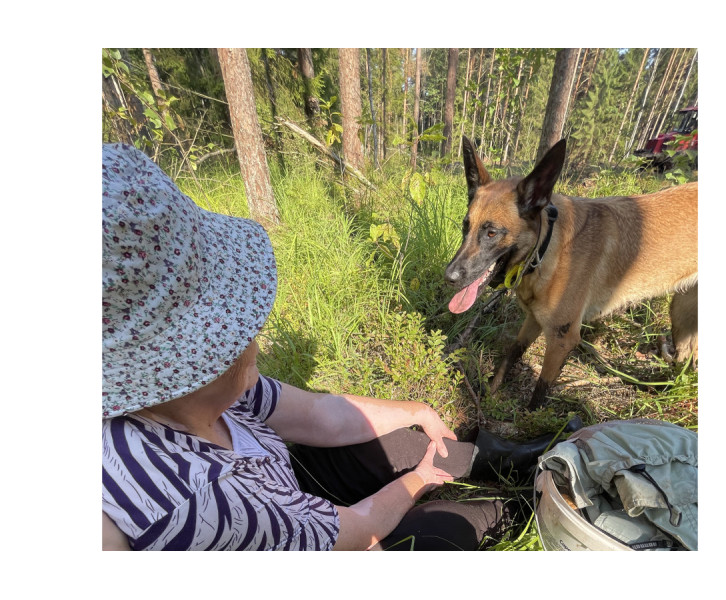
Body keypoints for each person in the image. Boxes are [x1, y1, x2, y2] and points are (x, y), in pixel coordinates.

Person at [101, 143, 573, 551]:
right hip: (310, 538)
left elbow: (316, 416)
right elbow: (355, 533)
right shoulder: (205, 500)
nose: (255, 330)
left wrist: (415, 407)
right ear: (198, 352)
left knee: (405, 440)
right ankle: (519, 503)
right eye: (235, 313)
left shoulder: (195, 394)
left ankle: (515, 455)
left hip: (287, 495)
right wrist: (421, 480)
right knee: (452, 525)